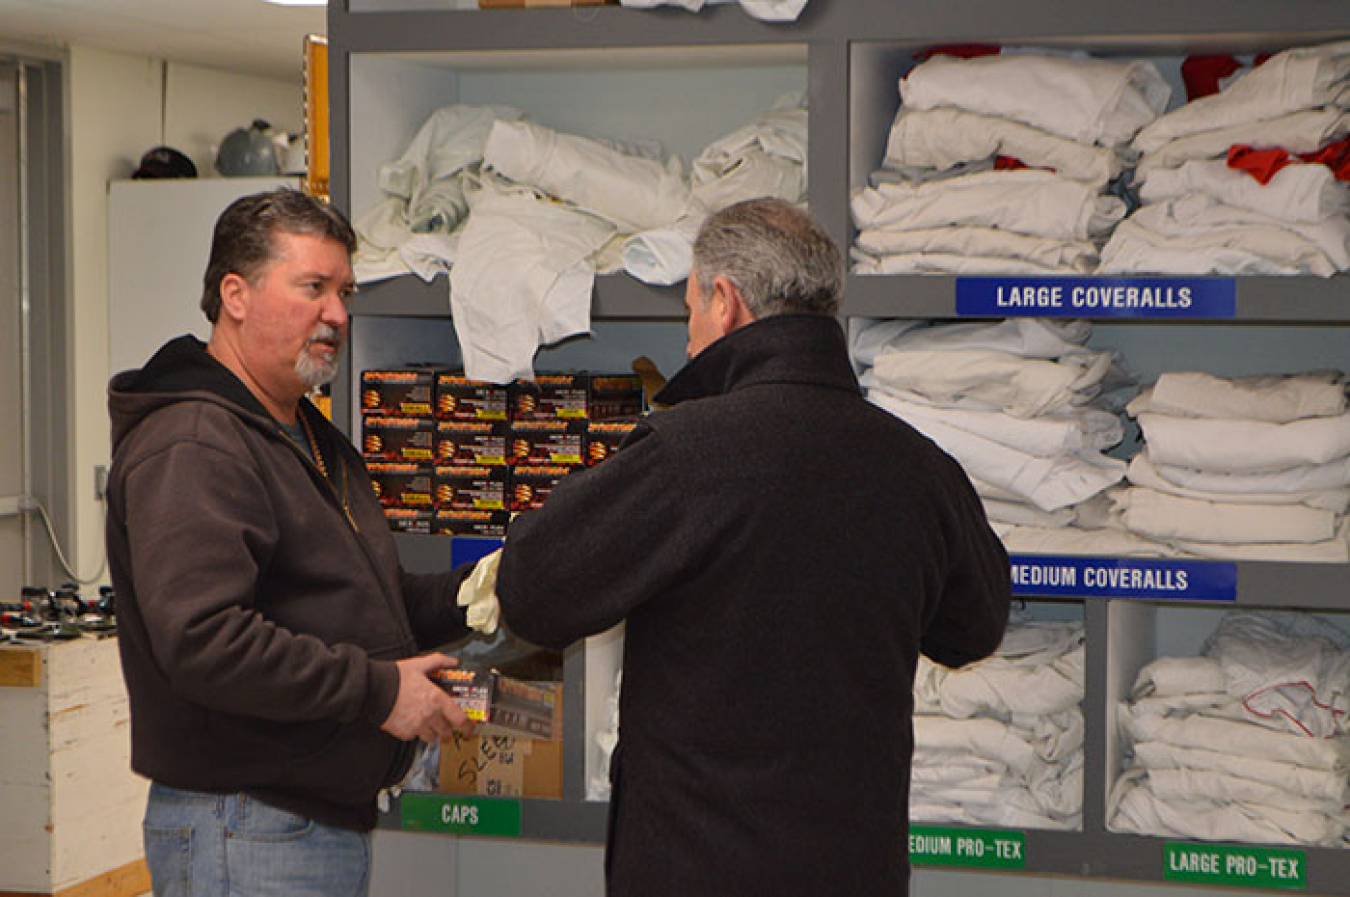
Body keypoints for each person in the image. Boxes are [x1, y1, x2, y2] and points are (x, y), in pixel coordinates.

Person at [496, 197, 1012, 896]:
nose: (686, 341)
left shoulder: (687, 453)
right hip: (856, 869)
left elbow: (533, 589)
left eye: (689, 310)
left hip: (693, 868)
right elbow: (973, 627)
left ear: (727, 302)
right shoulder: (918, 466)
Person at [106, 189, 476, 896]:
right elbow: (204, 640)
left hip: (293, 826)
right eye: (313, 287)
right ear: (235, 294)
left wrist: (493, 588)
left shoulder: (301, 431)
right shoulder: (194, 441)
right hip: (245, 827)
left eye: (343, 291)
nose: (336, 313)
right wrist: (378, 690)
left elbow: (370, 602)